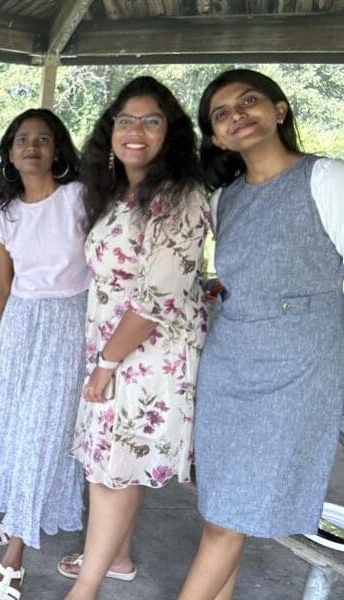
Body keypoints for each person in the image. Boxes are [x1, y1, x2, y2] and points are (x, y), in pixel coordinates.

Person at [178, 69, 343, 600]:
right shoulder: (226, 198)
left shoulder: (327, 178)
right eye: (221, 115)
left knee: (230, 519)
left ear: (280, 110)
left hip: (298, 367)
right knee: (222, 510)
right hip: (230, 362)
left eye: (248, 101)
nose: (236, 116)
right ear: (217, 137)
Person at [59, 76, 210, 600]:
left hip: (147, 354)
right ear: (110, 130)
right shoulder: (118, 192)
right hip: (115, 347)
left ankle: (87, 587)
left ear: (172, 132)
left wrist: (106, 363)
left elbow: (157, 298)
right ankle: (116, 557)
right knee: (117, 464)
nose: (136, 131)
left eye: (151, 120)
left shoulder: (182, 195)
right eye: (125, 120)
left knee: (110, 472)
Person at [0, 109, 88, 599]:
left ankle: (13, 559)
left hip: (69, 324)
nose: (31, 146)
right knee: (16, 426)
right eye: (21, 139)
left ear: (58, 148)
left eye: (42, 138)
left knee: (44, 430)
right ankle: (20, 510)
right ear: (10, 151)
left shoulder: (80, 198)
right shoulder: (1, 212)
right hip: (19, 323)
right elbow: (3, 284)